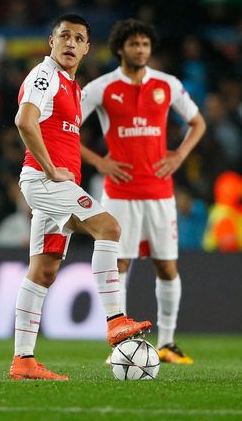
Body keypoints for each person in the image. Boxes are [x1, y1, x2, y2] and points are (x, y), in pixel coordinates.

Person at [10, 13, 151, 381]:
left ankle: (23, 361)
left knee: (43, 271)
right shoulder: (45, 76)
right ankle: (115, 321)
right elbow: (24, 121)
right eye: (64, 37)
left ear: (87, 48)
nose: (70, 43)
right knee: (109, 228)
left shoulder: (71, 85)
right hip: (45, 181)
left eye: (78, 39)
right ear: (50, 42)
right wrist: (50, 167)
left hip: (50, 186)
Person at [81, 19, 206, 364]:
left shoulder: (167, 85)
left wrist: (179, 155)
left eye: (145, 45)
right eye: (134, 44)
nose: (141, 50)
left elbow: (198, 123)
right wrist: (98, 162)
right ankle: (120, 341)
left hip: (159, 193)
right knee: (118, 265)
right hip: (119, 194)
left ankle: (167, 342)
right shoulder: (101, 88)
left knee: (166, 267)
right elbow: (65, 128)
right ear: (120, 48)